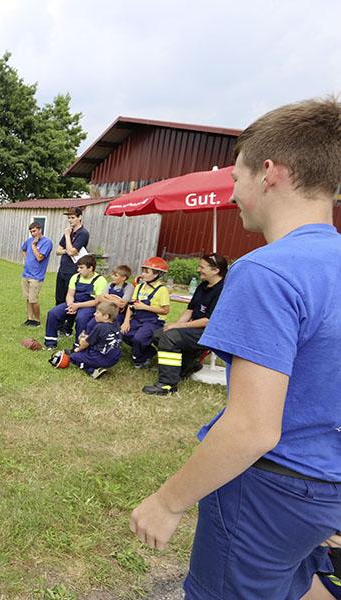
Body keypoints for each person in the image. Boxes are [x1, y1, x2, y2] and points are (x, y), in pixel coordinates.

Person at [130, 97, 341, 600]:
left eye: (235, 178)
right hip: (327, 489)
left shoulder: (267, 271)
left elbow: (252, 428)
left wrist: (168, 501)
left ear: (269, 172)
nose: (232, 195)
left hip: (271, 490)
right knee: (299, 583)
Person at [142, 253, 227, 396]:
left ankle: (167, 384)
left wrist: (178, 327)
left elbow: (208, 320)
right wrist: (175, 324)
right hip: (195, 328)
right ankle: (187, 366)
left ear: (215, 270)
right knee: (159, 334)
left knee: (169, 338)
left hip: (211, 332)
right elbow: (190, 309)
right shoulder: (203, 285)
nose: (198, 269)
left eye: (202, 267)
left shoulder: (223, 290)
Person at [43, 255, 106, 349]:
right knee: (53, 313)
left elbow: (97, 301)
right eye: (78, 267)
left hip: (89, 306)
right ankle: (50, 343)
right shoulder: (75, 277)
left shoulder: (100, 280)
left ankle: (78, 345)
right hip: (74, 302)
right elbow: (70, 295)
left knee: (81, 318)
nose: (78, 270)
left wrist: (78, 306)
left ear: (90, 268)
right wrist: (70, 305)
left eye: (81, 268)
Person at [120, 257, 171, 368]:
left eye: (146, 272)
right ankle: (149, 352)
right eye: (143, 271)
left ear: (157, 274)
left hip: (154, 321)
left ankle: (140, 360)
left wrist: (145, 307)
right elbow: (131, 306)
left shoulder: (162, 290)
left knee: (139, 338)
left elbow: (165, 310)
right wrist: (126, 321)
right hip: (138, 318)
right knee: (124, 333)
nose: (143, 274)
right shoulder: (139, 287)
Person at [54, 207, 90, 336]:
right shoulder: (69, 232)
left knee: (70, 299)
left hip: (73, 271)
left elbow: (72, 251)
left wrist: (67, 237)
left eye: (73, 217)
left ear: (79, 217)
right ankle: (58, 325)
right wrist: (67, 248)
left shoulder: (83, 233)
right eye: (68, 218)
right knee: (59, 298)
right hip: (62, 269)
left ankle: (67, 328)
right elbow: (58, 250)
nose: (70, 220)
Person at [64, 301, 122, 379]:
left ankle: (93, 370)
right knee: (92, 348)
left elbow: (85, 344)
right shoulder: (116, 324)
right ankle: (97, 364)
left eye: (97, 313)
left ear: (105, 316)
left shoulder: (99, 327)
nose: (94, 314)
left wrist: (80, 341)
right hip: (114, 358)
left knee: (73, 357)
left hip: (100, 358)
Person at [20, 222, 54, 327]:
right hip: (26, 274)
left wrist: (34, 245)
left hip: (36, 276)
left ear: (40, 230)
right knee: (28, 298)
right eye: (31, 232)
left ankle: (37, 320)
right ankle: (30, 319)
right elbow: (23, 248)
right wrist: (27, 259)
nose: (32, 234)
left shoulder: (47, 242)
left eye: (34, 231)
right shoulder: (29, 240)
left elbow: (40, 258)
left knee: (33, 299)